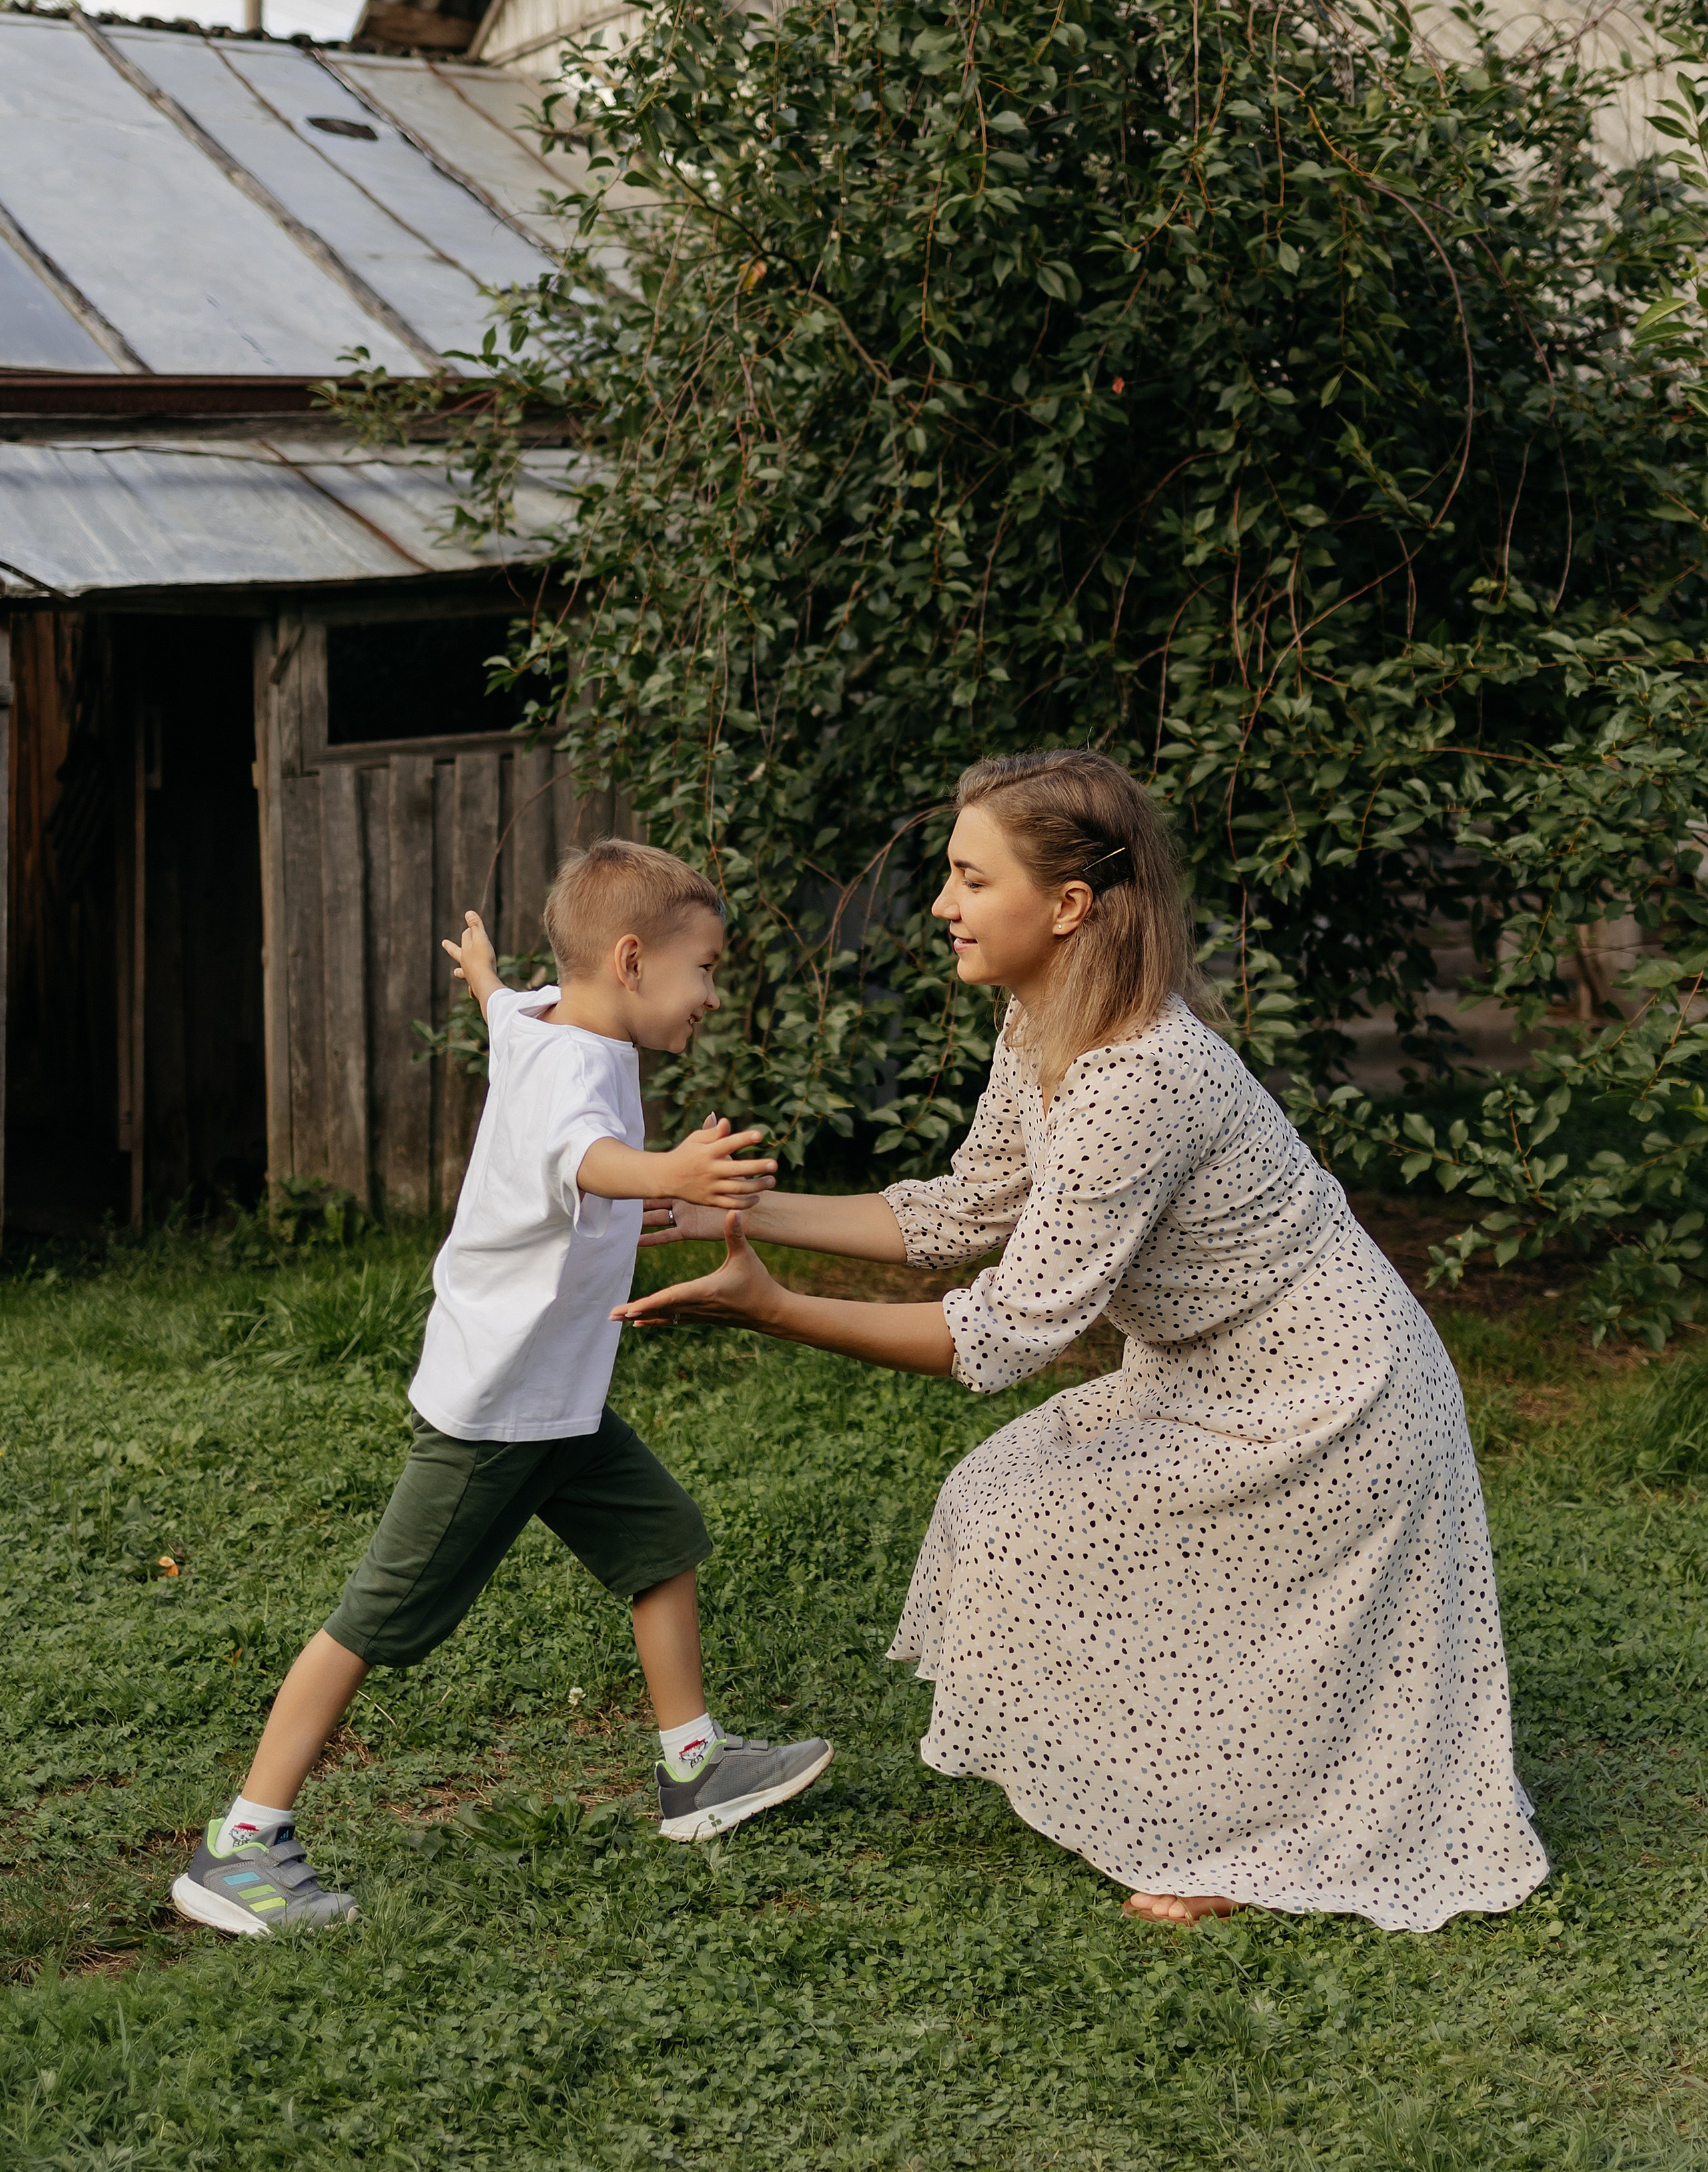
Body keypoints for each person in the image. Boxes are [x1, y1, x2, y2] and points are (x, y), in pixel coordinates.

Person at [618, 752, 1550, 1934]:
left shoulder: (1136, 1077)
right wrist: (734, 1209)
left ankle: (1242, 1849)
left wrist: (772, 1307)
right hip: (1203, 1373)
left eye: (969, 878)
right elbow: (969, 1209)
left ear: (1067, 908)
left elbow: (1007, 1334)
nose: (943, 906)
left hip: (1333, 1401)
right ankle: (1203, 1803)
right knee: (1003, 1507)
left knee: (1100, 1551)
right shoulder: (1041, 1019)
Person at [172, 840, 833, 1938]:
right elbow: (582, 1156)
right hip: (500, 1411)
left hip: (559, 1396)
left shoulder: (550, 1024)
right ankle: (240, 1846)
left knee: (661, 1540)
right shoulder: (574, 1071)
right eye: (706, 970)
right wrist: (667, 1173)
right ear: (631, 959)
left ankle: (696, 1768)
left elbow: (508, 1014)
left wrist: (484, 977)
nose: (713, 996)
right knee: (373, 1618)